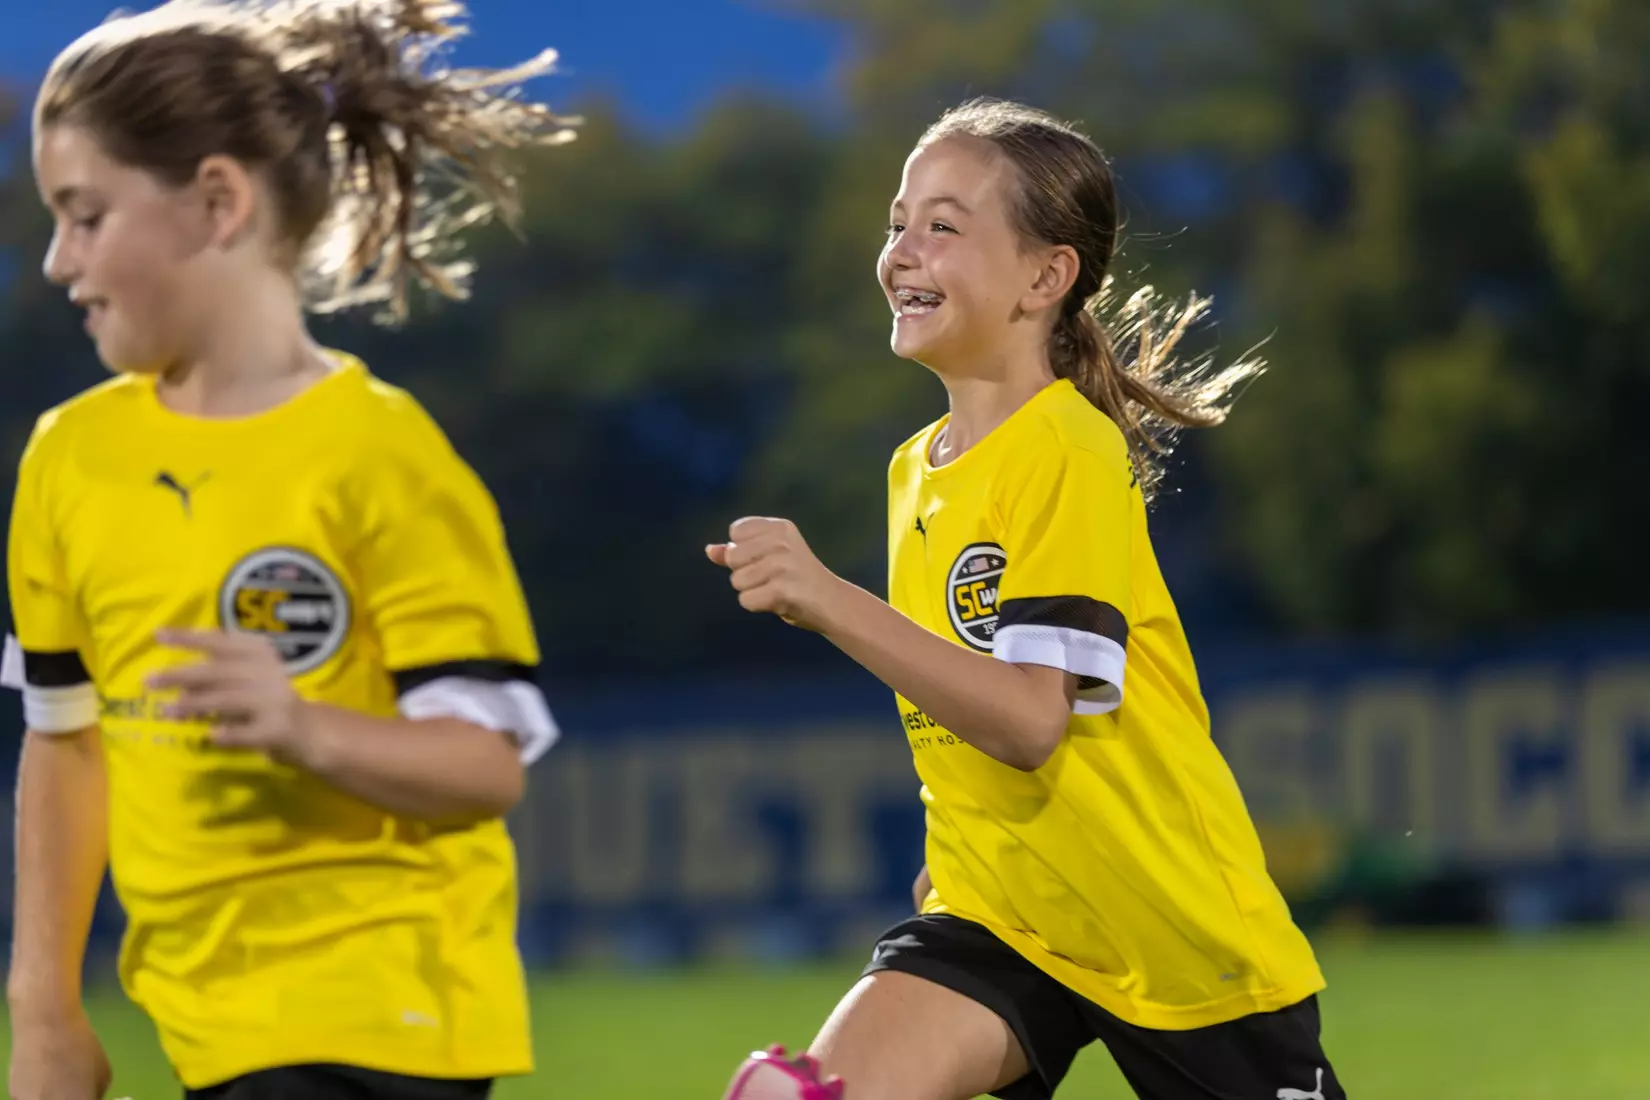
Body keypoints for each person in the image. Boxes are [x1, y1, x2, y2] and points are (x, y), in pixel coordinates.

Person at [708, 97, 1345, 1100]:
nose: (902, 251)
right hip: (1003, 914)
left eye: (943, 226)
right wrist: (951, 850)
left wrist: (828, 598)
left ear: (1046, 276)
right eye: (897, 222)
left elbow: (1027, 716)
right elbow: (956, 697)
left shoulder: (1067, 451)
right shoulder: (915, 466)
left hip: (1169, 927)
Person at [2, 2, 576, 1098]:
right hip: (202, 1019)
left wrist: (299, 723)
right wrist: (44, 1010)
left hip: (382, 1012)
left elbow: (483, 765)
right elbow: (65, 744)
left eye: (85, 216)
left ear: (217, 201)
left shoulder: (383, 454)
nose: (56, 260)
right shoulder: (69, 457)